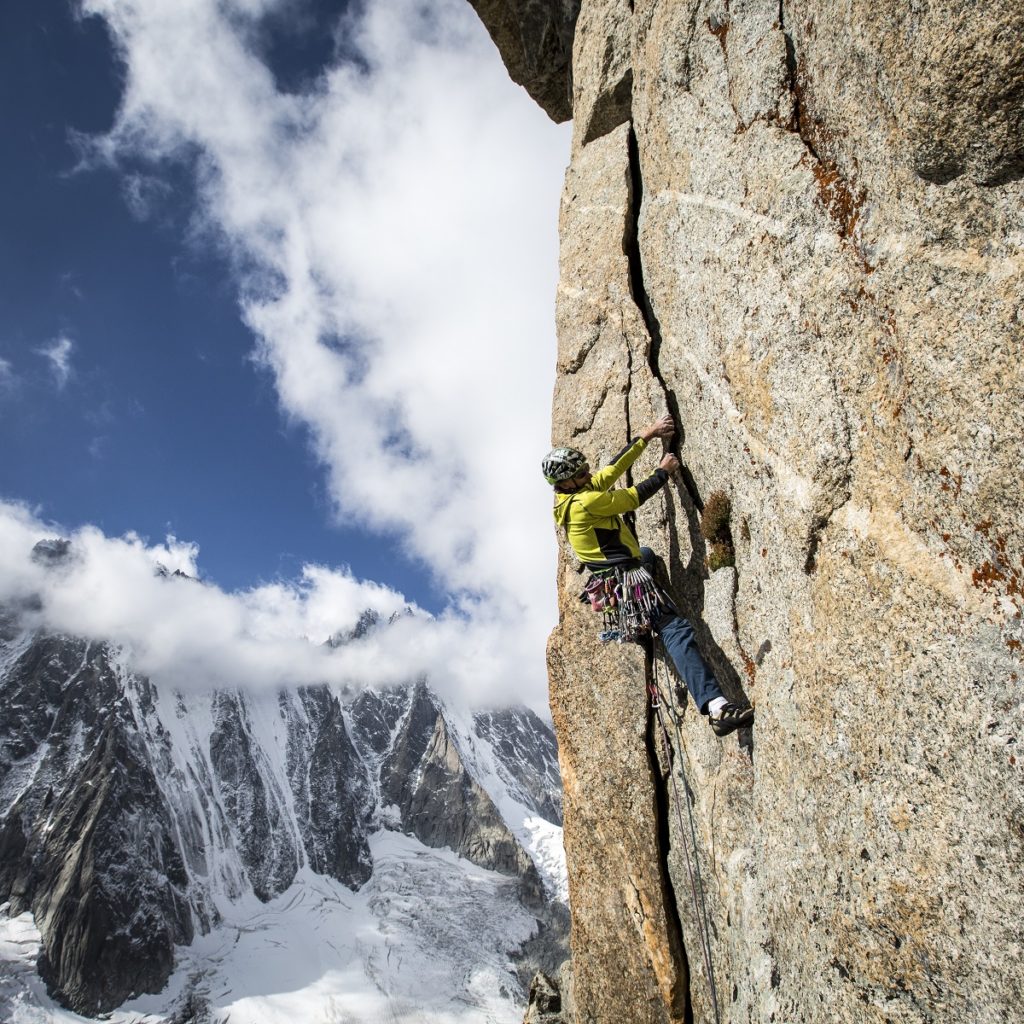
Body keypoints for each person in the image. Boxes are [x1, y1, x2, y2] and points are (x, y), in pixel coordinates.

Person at [543, 414, 754, 737]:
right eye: (581, 472)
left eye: (585, 469)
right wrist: (663, 472)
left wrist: (648, 434)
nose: (588, 473)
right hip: (626, 582)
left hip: (612, 578)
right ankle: (716, 708)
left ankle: (641, 624)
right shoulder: (585, 503)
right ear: (568, 481)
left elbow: (611, 470)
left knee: (648, 555)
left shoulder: (570, 497)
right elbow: (631, 498)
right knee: (675, 628)